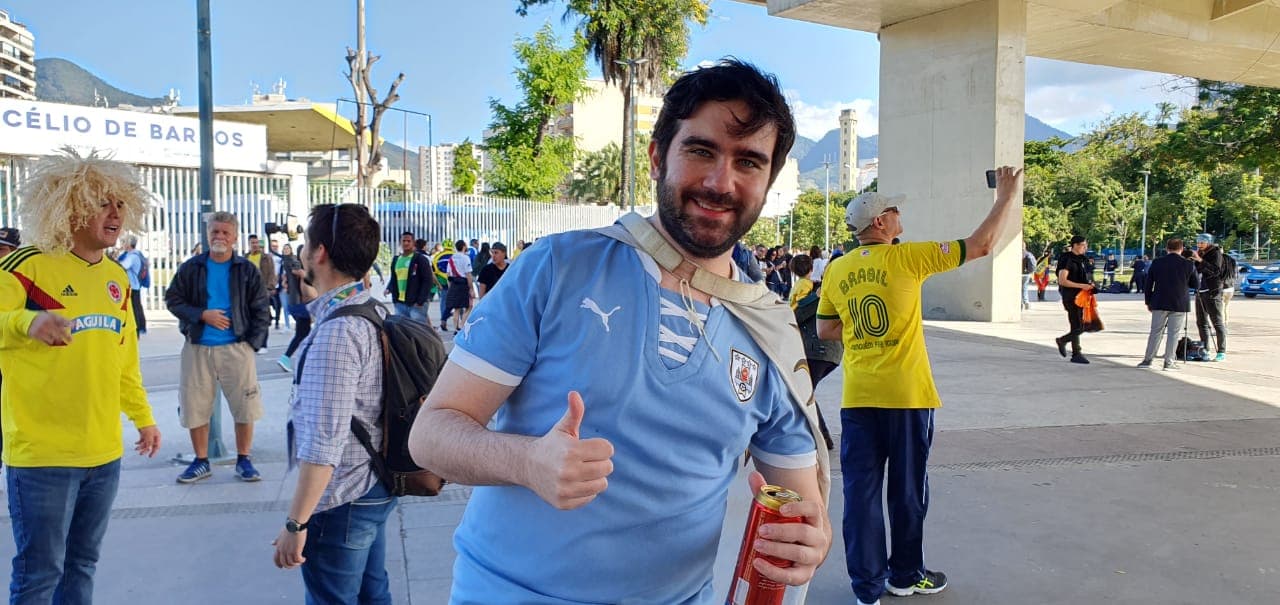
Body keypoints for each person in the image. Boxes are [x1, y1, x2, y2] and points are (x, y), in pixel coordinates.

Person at [406, 59, 830, 604]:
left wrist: (808, 543)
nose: (720, 182)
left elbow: (801, 509)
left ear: (767, 182)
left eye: (748, 162)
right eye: (701, 150)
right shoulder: (557, 268)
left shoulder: (770, 329)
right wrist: (528, 462)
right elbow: (432, 434)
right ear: (658, 157)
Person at [816, 167, 1023, 605]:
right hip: (907, 397)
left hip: (858, 399)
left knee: (861, 495)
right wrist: (1005, 195)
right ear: (879, 223)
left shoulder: (836, 270)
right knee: (907, 491)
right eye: (893, 210)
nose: (897, 214)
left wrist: (864, 330)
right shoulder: (911, 258)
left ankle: (866, 589)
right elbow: (982, 245)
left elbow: (826, 329)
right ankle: (906, 574)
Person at [1, 149, 161, 603]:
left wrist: (143, 418)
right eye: (101, 202)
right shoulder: (26, 266)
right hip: (42, 457)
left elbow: (123, 359)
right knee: (39, 575)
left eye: (120, 204)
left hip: (103, 455)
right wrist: (26, 322)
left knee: (82, 567)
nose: (115, 214)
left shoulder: (117, 278)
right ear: (70, 207)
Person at [272, 204, 399, 603]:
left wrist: (296, 523)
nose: (304, 253)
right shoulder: (374, 309)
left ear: (320, 253)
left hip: (343, 497)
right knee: (371, 595)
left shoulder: (338, 332)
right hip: (373, 483)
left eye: (307, 244)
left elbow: (324, 442)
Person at [165, 211, 271, 483]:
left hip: (236, 347)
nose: (219, 237)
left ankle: (244, 460)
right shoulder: (192, 267)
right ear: (208, 234)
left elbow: (261, 307)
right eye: (215, 231)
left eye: (225, 232)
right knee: (195, 405)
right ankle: (201, 461)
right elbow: (173, 299)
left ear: (235, 237)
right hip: (198, 347)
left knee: (244, 405)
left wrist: (252, 344)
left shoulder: (246, 270)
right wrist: (201, 314)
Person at [791, 254, 839, 450]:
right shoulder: (816, 289)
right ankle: (821, 436)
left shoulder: (820, 291)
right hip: (826, 352)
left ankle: (820, 437)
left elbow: (798, 314)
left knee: (803, 392)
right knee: (804, 391)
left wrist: (814, 297)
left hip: (819, 351)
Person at [1138, 238, 1198, 371]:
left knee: (1155, 331)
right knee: (1173, 333)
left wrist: (1148, 301)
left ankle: (1148, 360)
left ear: (1167, 249)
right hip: (1179, 303)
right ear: (1181, 249)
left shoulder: (1157, 262)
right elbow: (1196, 284)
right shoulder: (1188, 264)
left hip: (1159, 301)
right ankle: (1169, 362)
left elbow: (1148, 284)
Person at [1054, 235, 1096, 364]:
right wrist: (1081, 286)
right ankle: (1064, 342)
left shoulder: (1083, 259)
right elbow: (1062, 280)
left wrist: (1091, 285)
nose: (1085, 247)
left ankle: (1076, 352)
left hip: (1083, 297)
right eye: (1083, 245)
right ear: (1075, 245)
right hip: (1071, 296)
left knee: (1079, 324)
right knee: (1080, 325)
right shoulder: (1066, 259)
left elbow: (1087, 276)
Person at [277, 243, 316, 372]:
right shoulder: (299, 268)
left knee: (303, 333)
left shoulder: (297, 267)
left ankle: (287, 358)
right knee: (307, 333)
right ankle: (291, 359)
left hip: (297, 305)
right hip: (300, 306)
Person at [1190, 233, 1227, 362]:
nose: (1199, 244)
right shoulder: (1200, 253)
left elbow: (1215, 270)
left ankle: (1221, 351)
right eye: (1198, 241)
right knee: (1201, 322)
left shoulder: (1215, 253)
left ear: (1209, 242)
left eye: (1202, 242)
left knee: (1216, 322)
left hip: (1213, 291)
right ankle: (1204, 348)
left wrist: (1200, 260)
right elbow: (1196, 271)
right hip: (1200, 291)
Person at [385, 231, 432, 324]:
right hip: (400, 303)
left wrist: (420, 301)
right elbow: (394, 278)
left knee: (418, 331)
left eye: (408, 241)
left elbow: (427, 280)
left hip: (416, 303)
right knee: (402, 331)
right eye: (403, 241)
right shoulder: (396, 260)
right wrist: (389, 288)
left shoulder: (420, 259)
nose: (406, 243)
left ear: (413, 242)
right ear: (400, 242)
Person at [116, 234, 149, 335]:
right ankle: (141, 327)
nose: (123, 244)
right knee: (137, 306)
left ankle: (137, 328)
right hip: (136, 285)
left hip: (132, 285)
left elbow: (122, 266)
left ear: (129, 244)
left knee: (134, 308)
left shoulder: (132, 256)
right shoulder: (138, 254)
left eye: (124, 242)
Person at [246, 234, 278, 335]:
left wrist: (270, 288)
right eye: (252, 243)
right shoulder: (245, 258)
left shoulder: (266, 257)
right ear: (249, 244)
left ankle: (263, 342)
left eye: (256, 243)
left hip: (263, 291)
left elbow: (272, 273)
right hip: (249, 292)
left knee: (263, 316)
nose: (255, 245)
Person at [444, 239, 474, 331]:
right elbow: (468, 274)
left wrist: (450, 286)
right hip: (463, 284)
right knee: (469, 305)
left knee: (456, 308)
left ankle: (456, 329)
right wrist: (471, 288)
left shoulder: (451, 258)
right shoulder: (465, 258)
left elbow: (448, 274)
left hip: (453, 284)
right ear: (464, 247)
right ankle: (461, 325)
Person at [1021, 246, 1037, 310]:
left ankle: (1021, 302)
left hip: (1019, 273)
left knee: (1019, 289)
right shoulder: (1029, 254)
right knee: (1024, 287)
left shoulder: (1018, 253)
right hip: (1027, 274)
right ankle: (1026, 301)